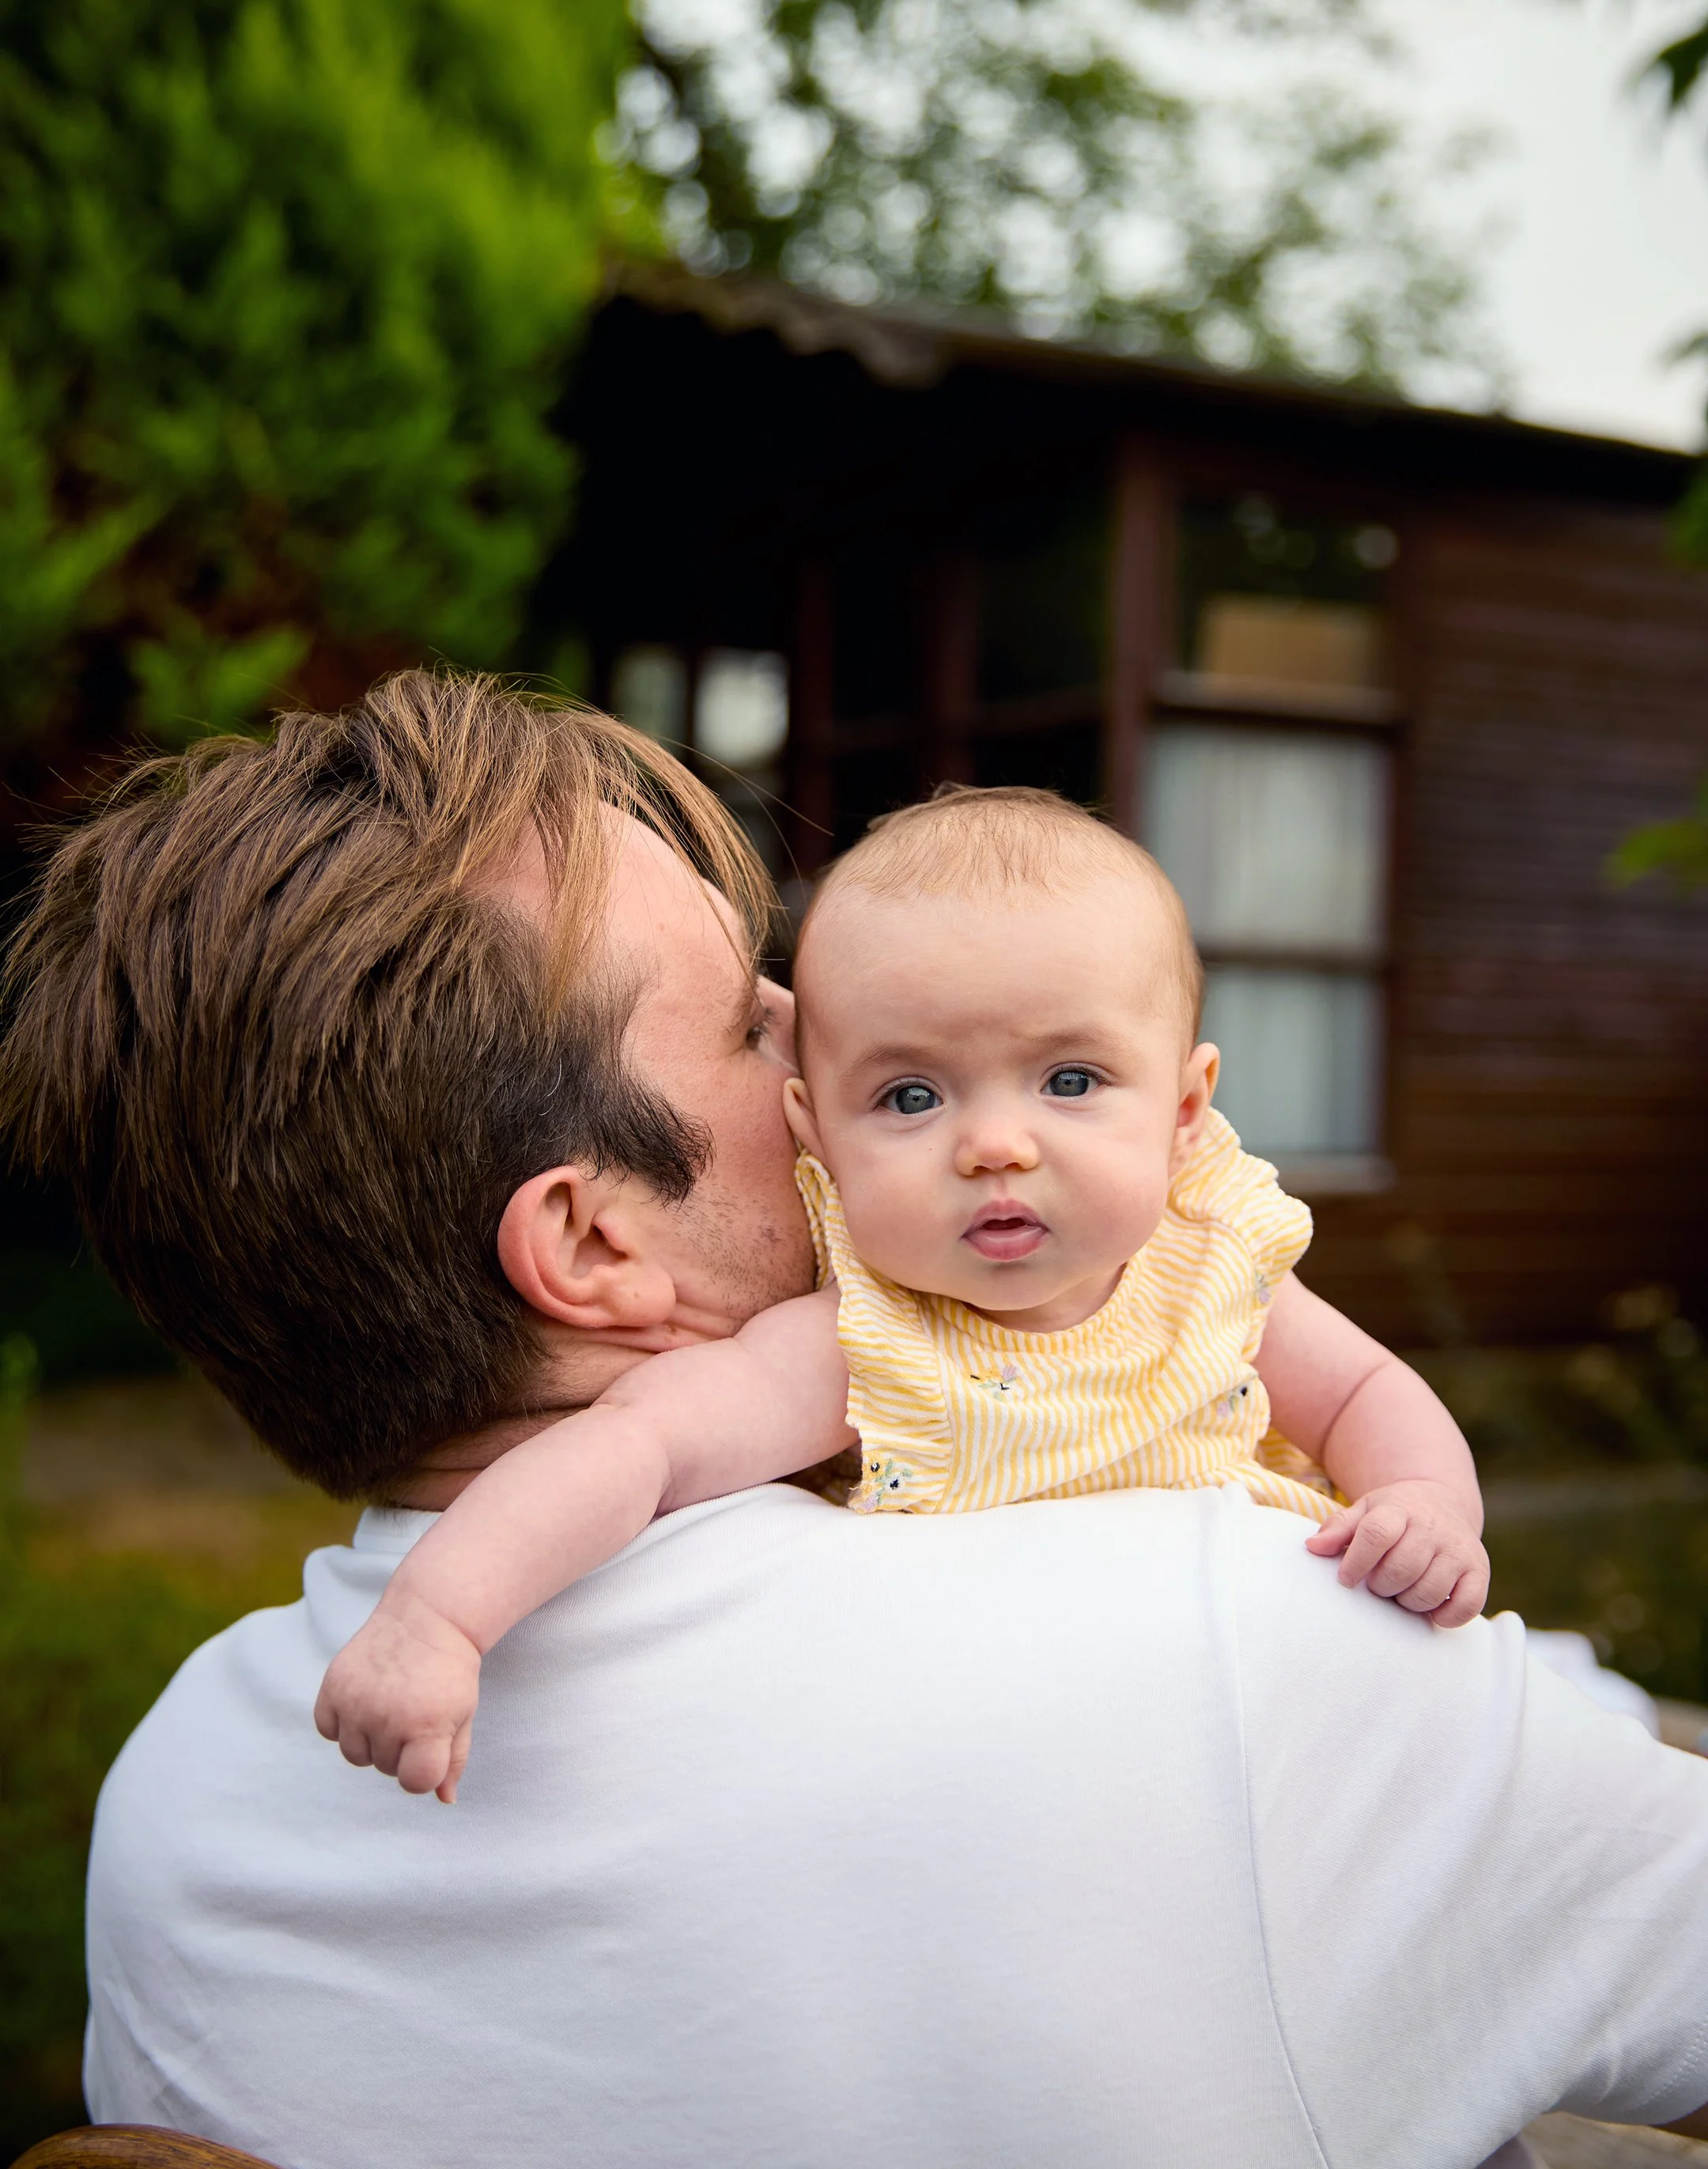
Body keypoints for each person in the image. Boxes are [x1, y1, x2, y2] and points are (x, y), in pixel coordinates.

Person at [4, 670, 1708, 2169]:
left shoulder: (179, 1810)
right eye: (762, 1034)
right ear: (593, 1240)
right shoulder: (1240, 1649)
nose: (847, 1074)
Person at [316, 788, 1489, 1804]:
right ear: (816, 1132)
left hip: (1296, 1707)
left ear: (1185, 1112)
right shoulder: (856, 1344)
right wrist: (441, 1617)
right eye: (912, 1099)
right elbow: (638, 1450)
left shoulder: (1212, 1269)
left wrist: (1429, 1505)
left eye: (1069, 1080)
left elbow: (1367, 1393)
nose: (994, 1145)